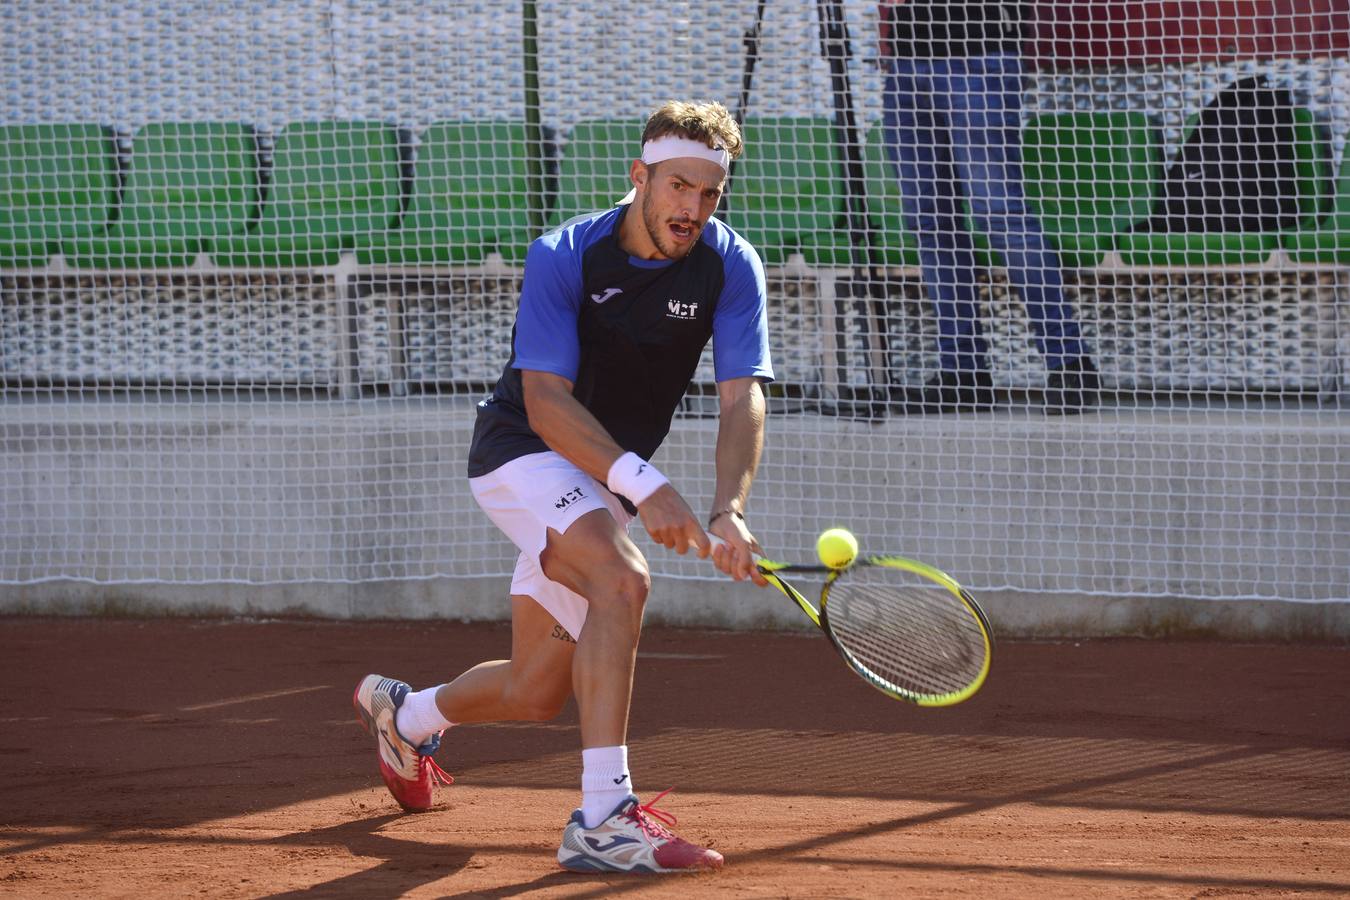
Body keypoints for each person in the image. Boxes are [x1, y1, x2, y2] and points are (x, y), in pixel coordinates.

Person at [353, 100, 773, 875]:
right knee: (622, 578)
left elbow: (742, 394)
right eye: (678, 186)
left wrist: (729, 509)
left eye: (710, 193)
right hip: (522, 452)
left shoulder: (728, 262)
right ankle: (605, 819)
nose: (693, 209)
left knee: (536, 691)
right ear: (639, 177)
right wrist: (648, 488)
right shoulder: (566, 253)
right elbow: (546, 401)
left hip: (601, 483)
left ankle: (406, 715)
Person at [878, 0, 1101, 413]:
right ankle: (963, 372)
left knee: (1000, 213)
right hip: (908, 62)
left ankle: (1071, 361)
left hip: (980, 53)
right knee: (930, 221)